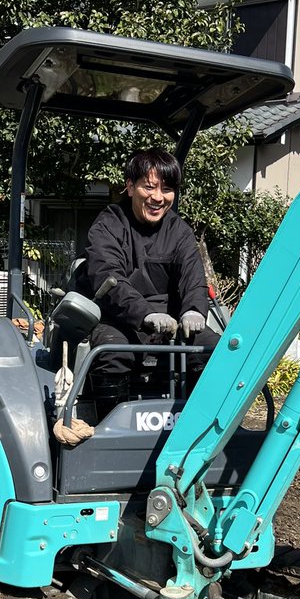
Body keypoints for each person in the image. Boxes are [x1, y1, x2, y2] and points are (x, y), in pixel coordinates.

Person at [79, 148, 219, 411]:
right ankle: (111, 426)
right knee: (113, 352)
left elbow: (193, 276)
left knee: (214, 351)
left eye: (167, 189)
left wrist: (193, 310)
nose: (158, 197)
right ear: (131, 187)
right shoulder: (109, 225)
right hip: (118, 318)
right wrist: (145, 314)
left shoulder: (179, 231)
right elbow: (108, 278)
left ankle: (199, 424)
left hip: (171, 323)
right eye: (150, 187)